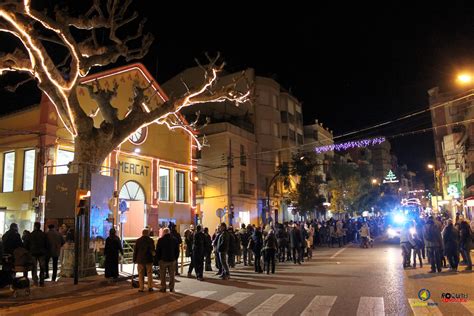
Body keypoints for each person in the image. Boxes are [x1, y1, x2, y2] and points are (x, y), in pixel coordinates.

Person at [155, 228, 179, 292]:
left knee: (163, 275)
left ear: (164, 232)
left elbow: (158, 251)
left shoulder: (160, 240)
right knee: (172, 275)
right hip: (172, 260)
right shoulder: (174, 240)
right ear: (169, 232)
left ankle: (163, 287)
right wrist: (175, 258)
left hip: (163, 260)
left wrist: (159, 259)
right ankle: (171, 287)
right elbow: (177, 250)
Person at [26, 222, 47, 286]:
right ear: (40, 226)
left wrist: (29, 250)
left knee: (34, 267)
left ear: (34, 226)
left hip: (33, 253)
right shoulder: (43, 234)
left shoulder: (31, 234)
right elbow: (46, 244)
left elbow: (27, 244)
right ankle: (42, 281)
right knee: (42, 267)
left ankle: (35, 281)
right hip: (41, 253)